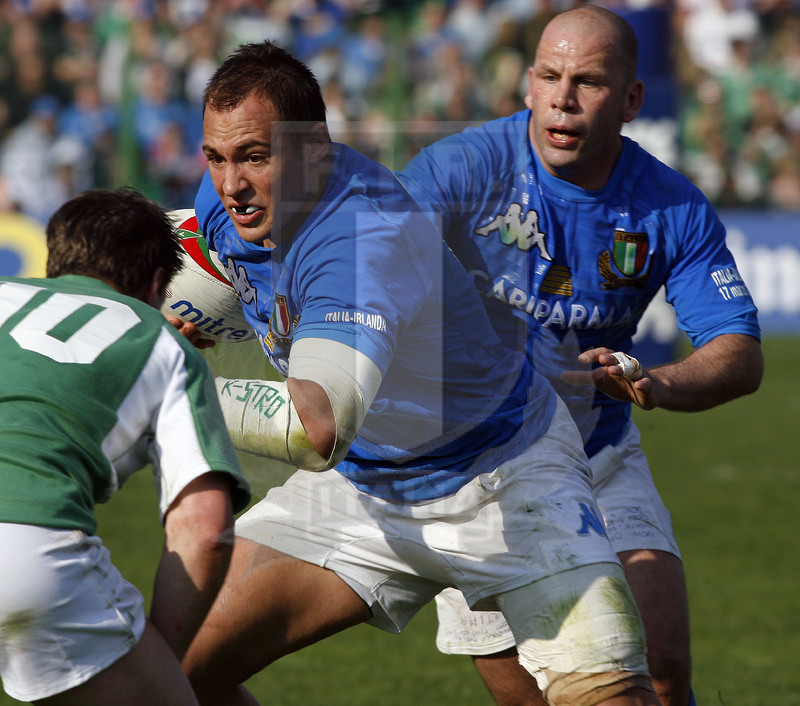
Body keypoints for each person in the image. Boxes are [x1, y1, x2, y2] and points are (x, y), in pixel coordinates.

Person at [179, 40, 662, 706]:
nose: (230, 185)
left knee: (609, 696)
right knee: (160, 673)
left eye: (255, 157)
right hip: (365, 488)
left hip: (500, 476)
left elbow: (315, 426)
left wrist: (173, 387)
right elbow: (208, 261)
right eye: (217, 157)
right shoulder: (230, 195)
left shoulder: (364, 238)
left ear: (316, 147)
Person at [396, 6, 763, 706]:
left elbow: (738, 352)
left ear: (630, 100)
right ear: (528, 83)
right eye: (549, 75)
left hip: (598, 454)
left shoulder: (669, 207)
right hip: (474, 476)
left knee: (661, 668)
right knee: (541, 697)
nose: (563, 97)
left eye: (588, 81)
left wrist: (654, 380)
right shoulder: (464, 168)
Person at [0, 188, 251, 705]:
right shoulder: (164, 345)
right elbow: (204, 528)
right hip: (26, 558)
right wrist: (163, 653)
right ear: (158, 282)